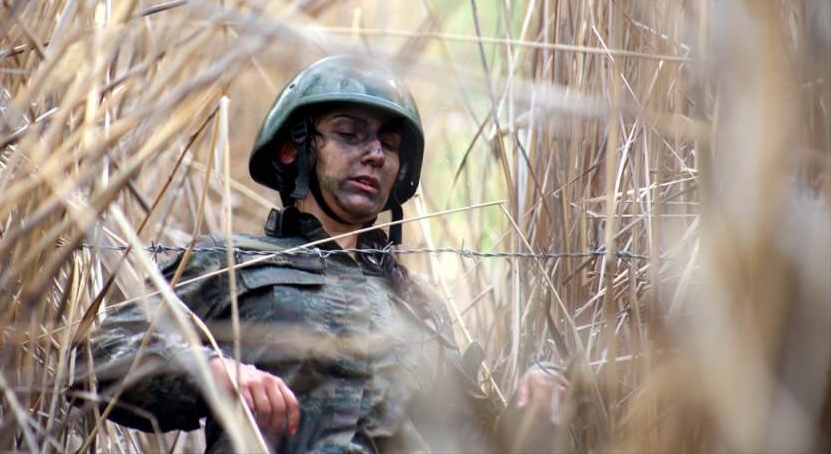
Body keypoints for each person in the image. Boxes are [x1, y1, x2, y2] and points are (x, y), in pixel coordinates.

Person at [76, 55, 565, 452]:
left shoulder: (421, 307)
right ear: (294, 149)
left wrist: (536, 406)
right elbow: (97, 362)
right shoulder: (226, 262)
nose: (375, 153)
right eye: (350, 134)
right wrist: (215, 371)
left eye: (389, 144)